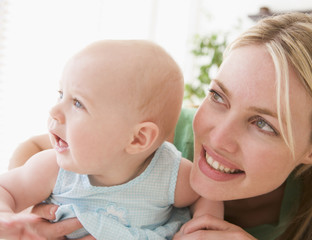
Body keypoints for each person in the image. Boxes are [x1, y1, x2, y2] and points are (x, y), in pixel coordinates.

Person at [3, 12, 312, 240]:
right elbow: (37, 149)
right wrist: (36, 212)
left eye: (263, 124)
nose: (218, 139)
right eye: (218, 97)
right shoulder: (166, 133)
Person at [0, 40, 223, 240]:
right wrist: (6, 218)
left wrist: (203, 225)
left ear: (138, 138)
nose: (54, 110)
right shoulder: (53, 170)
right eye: (61, 94)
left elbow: (205, 193)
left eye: (78, 103)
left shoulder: (168, 174)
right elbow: (6, 189)